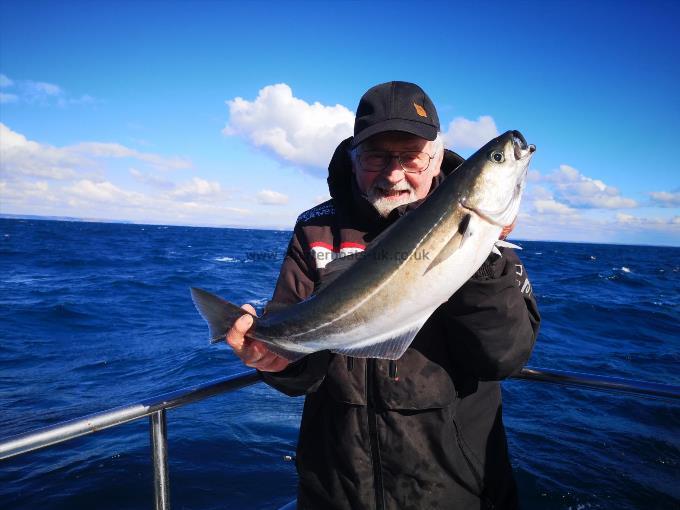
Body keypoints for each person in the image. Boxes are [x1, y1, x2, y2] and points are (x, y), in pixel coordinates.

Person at [226, 81, 540, 509]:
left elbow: (505, 356)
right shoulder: (316, 230)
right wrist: (275, 361)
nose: (394, 173)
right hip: (335, 489)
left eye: (410, 157)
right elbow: (300, 365)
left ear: (435, 159)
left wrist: (482, 255)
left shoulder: (489, 241)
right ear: (353, 158)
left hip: (453, 489)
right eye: (376, 156)